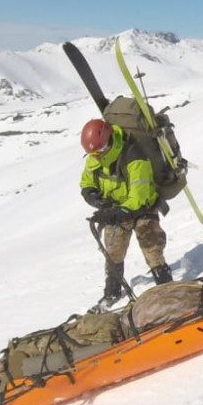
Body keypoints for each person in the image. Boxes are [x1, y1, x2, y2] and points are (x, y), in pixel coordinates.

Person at [79, 118, 172, 308]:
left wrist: (118, 212)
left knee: (151, 246)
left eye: (99, 151)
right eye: (92, 153)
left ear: (109, 141)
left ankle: (166, 286)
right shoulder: (95, 158)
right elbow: (87, 181)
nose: (95, 156)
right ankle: (112, 291)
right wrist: (90, 194)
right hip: (116, 208)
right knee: (113, 250)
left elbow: (139, 197)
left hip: (142, 208)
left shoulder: (134, 157)